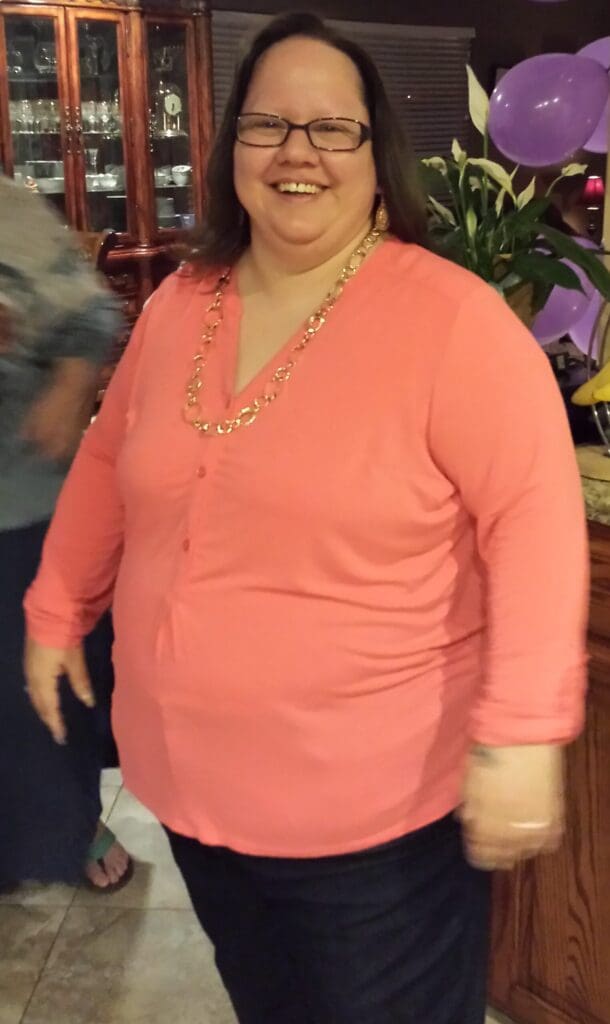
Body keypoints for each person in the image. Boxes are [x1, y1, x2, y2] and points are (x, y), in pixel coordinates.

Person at [23, 13, 588, 1022]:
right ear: (231, 145)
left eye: (332, 127)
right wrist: (58, 606)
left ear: (376, 156)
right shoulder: (181, 303)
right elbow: (109, 460)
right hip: (193, 795)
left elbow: (535, 527)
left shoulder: (453, 322)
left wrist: (521, 734)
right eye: (267, 124)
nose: (297, 151)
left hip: (373, 826)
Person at [0, 175, 132, 892]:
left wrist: (69, 386)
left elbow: (90, 315)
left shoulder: (8, 211)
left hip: (18, 505)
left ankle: (74, 824)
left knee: (40, 702)